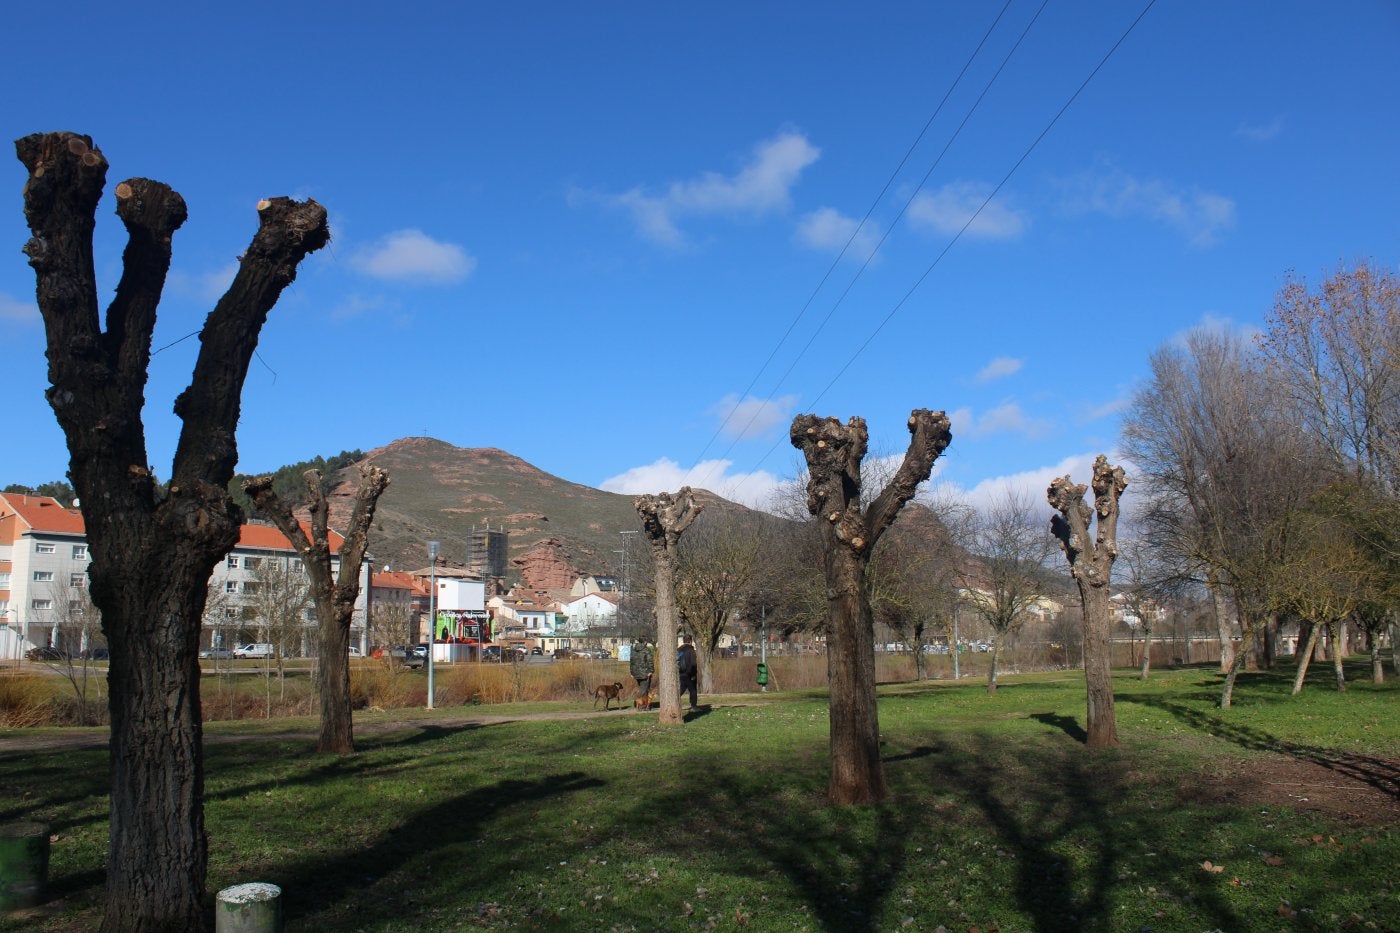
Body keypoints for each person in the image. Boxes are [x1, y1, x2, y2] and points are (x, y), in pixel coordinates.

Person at [677, 634, 699, 710]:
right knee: (693, 690)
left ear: (683, 641)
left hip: (681, 673)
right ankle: (694, 706)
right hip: (689, 674)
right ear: (691, 641)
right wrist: (693, 674)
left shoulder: (679, 650)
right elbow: (693, 663)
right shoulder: (691, 650)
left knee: (681, 689)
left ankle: (674, 700)